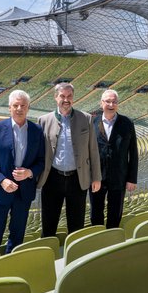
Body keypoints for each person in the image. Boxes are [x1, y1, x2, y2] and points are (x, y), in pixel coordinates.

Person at [0, 90, 45, 253]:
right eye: (15, 105)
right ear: (9, 107)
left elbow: (41, 161)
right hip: (0, 192)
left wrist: (29, 172)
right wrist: (2, 180)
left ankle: (11, 266)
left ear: (28, 107)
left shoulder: (37, 131)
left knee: (17, 236)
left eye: (23, 105)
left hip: (24, 193)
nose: (19, 108)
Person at [37, 83, 101, 237]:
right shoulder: (43, 120)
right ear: (55, 97)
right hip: (52, 179)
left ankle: (74, 257)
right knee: (49, 224)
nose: (66, 100)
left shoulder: (86, 118)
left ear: (73, 98)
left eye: (69, 96)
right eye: (62, 96)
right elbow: (38, 153)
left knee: (76, 225)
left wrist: (96, 177)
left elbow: (93, 150)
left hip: (77, 180)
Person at [90, 89, 138, 229]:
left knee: (115, 213)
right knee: (95, 213)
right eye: (108, 101)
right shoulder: (92, 122)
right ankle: (98, 239)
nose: (111, 104)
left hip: (119, 177)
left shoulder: (127, 123)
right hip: (97, 177)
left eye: (114, 102)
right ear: (101, 103)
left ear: (118, 104)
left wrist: (132, 178)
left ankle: (112, 240)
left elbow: (133, 152)